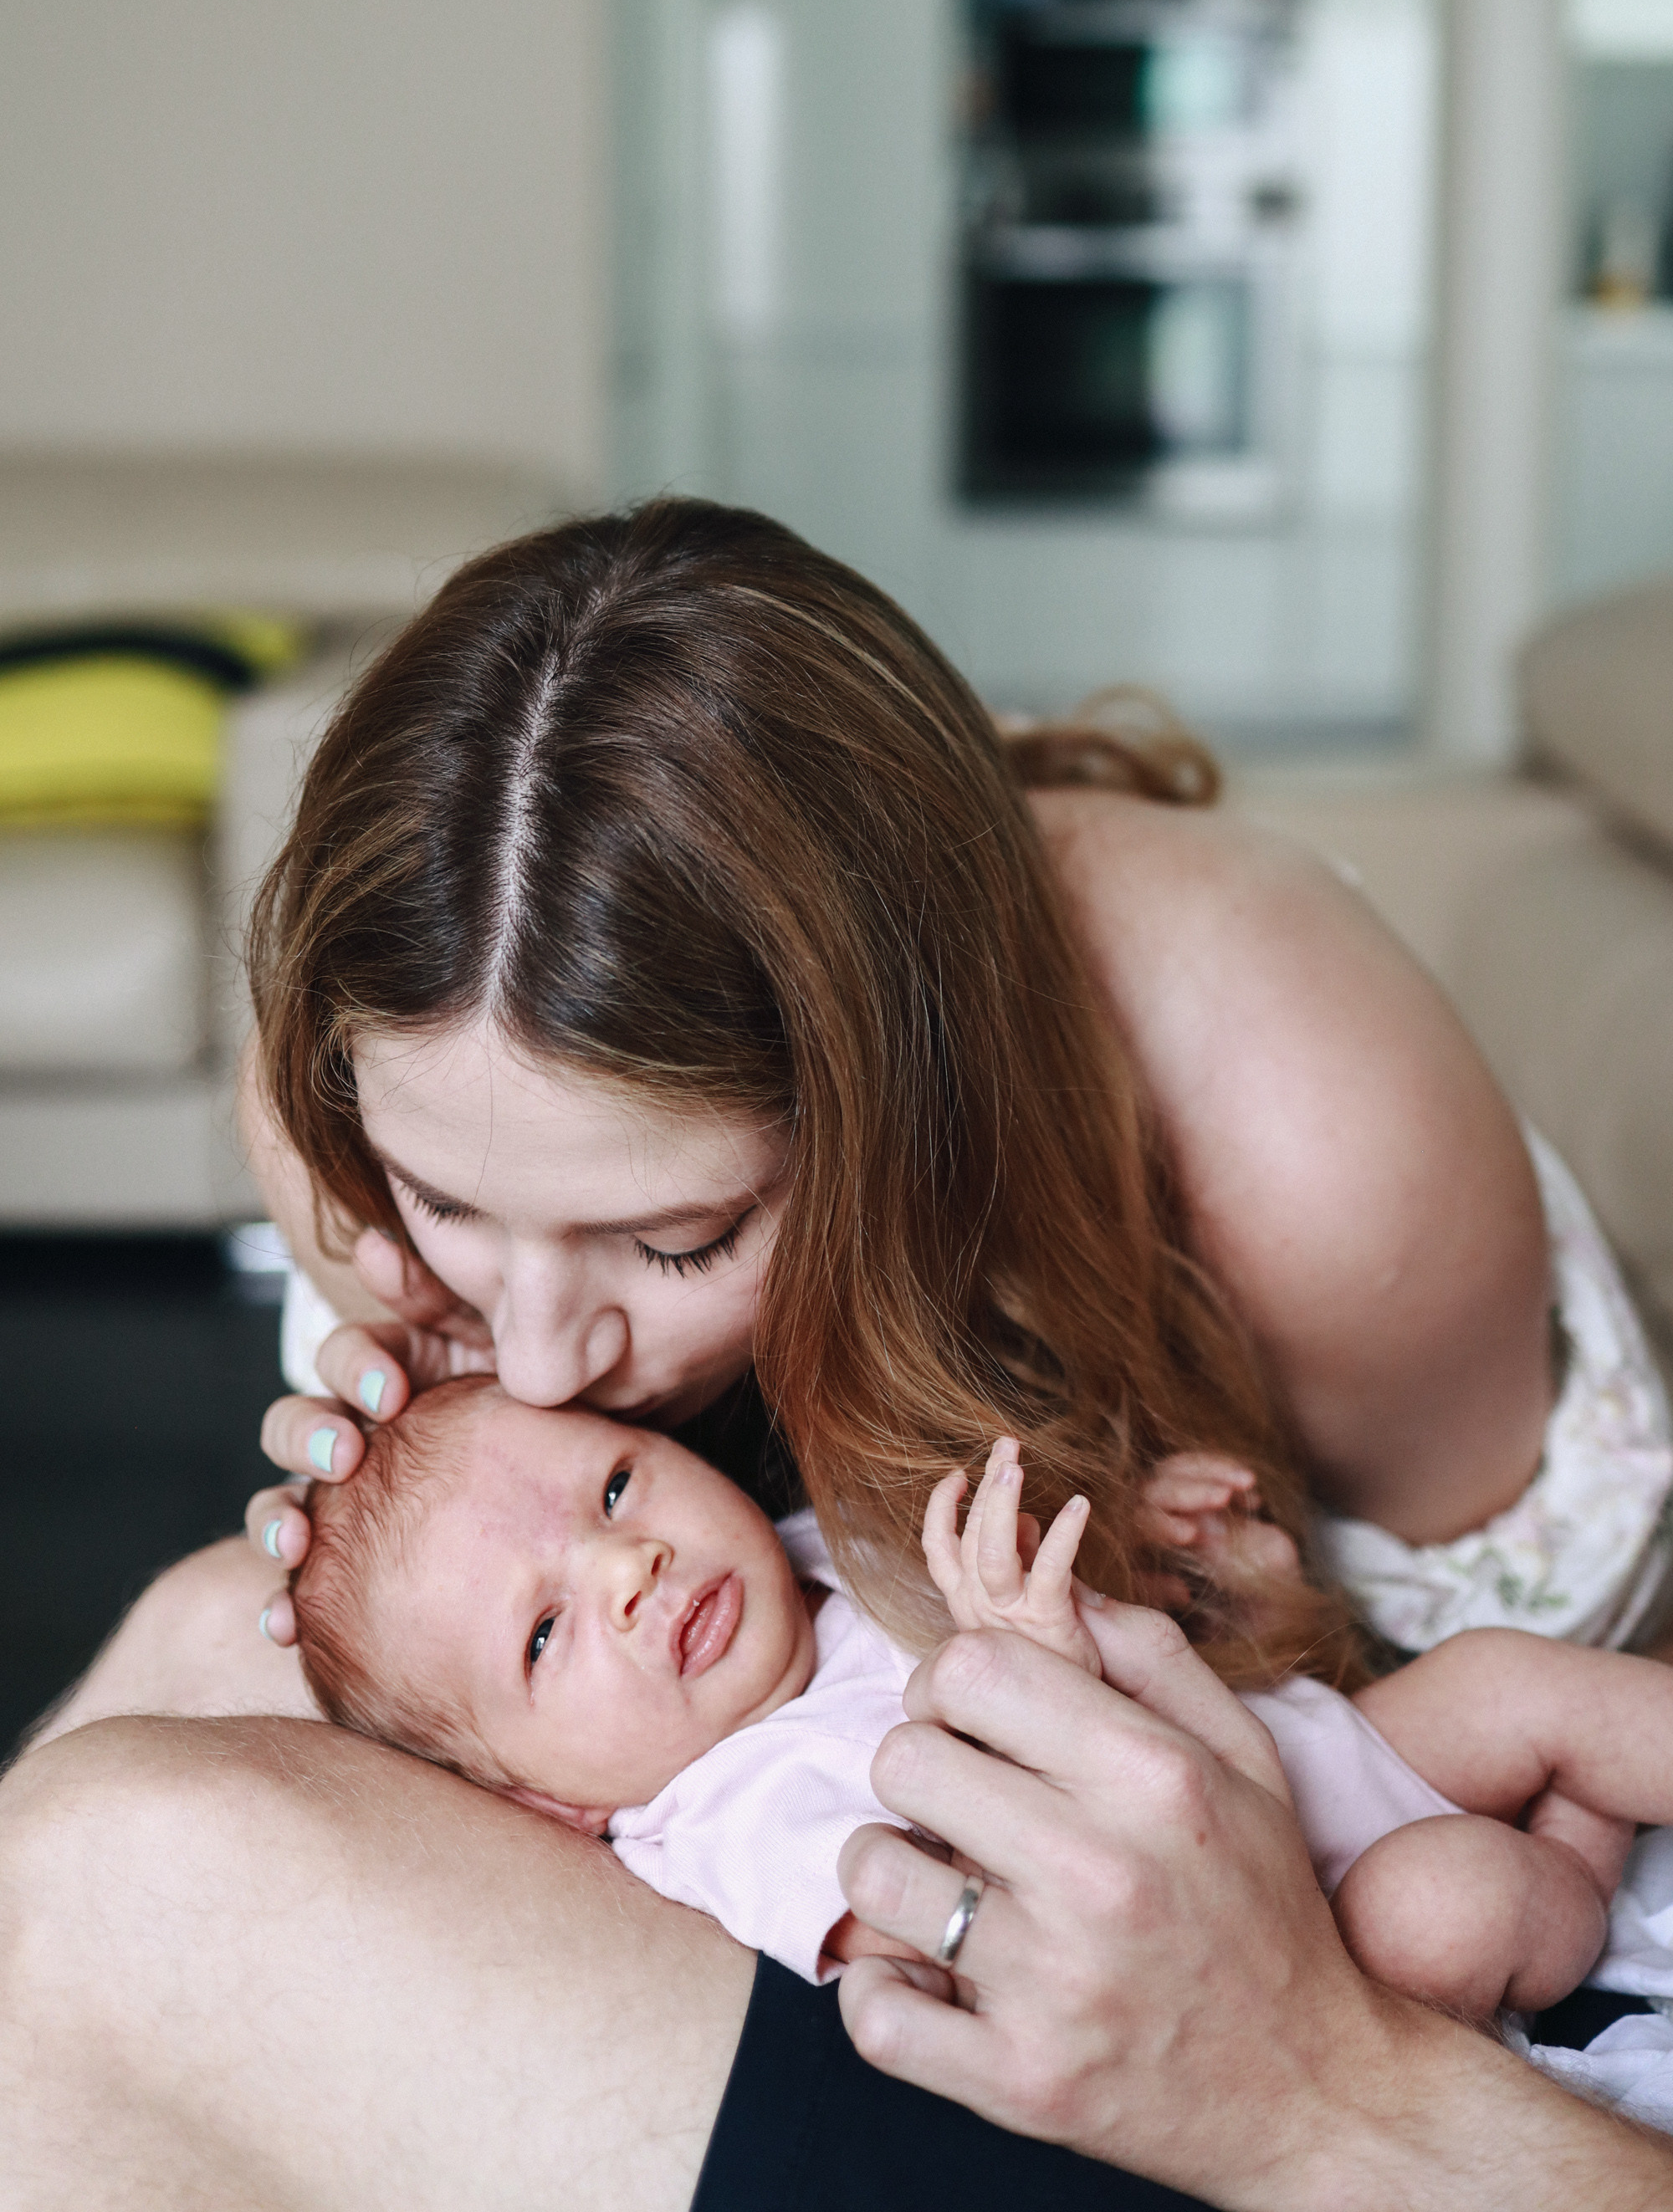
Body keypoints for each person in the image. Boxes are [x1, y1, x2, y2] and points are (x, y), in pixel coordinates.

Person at [7, 498, 1673, 2201]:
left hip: (1336, 1967)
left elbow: (1461, 1788)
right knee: (213, 1633)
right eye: (445, 1205)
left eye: (674, 1242)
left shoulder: (1316, 1159)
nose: (539, 1354)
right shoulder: (417, 1029)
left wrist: (1214, 1585)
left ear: (902, 1132)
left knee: (113, 1889)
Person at [292, 1378, 1673, 2052]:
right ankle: (1578, 1875)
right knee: (1455, 1904)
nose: (629, 1568)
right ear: (543, 1803)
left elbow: (1080, 1597)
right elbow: (969, 1930)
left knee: (1506, 1677)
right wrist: (1024, 1681)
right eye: (544, 1633)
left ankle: (1586, 1800)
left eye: (613, 1489)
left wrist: (1150, 1543)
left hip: (1335, 1752)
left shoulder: (803, 1551)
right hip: (1317, 1928)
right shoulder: (731, 1819)